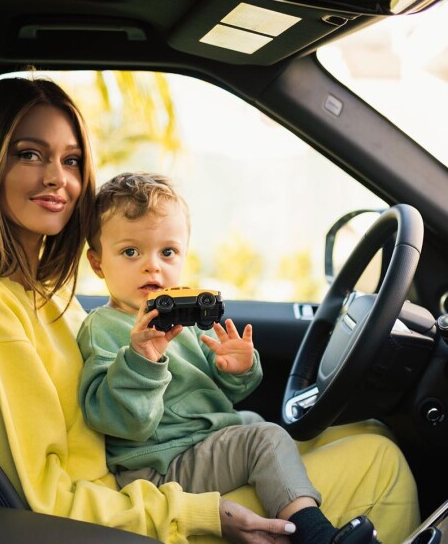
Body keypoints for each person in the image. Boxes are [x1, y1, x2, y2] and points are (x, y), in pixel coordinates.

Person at [0, 77, 420, 544]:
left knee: (367, 432)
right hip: (131, 522)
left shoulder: (39, 295)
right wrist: (198, 515)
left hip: (148, 497)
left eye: (71, 160)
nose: (57, 178)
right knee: (381, 464)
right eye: (29, 154)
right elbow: (37, 507)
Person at [77, 172, 370, 543]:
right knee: (262, 438)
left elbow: (220, 396)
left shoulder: (184, 320)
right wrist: (141, 361)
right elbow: (118, 422)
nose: (153, 266)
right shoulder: (102, 328)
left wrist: (237, 371)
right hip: (158, 464)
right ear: (98, 263)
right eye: (130, 252)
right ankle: (315, 534)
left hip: (196, 441)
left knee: (251, 419)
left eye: (167, 252)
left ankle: (282, 482)